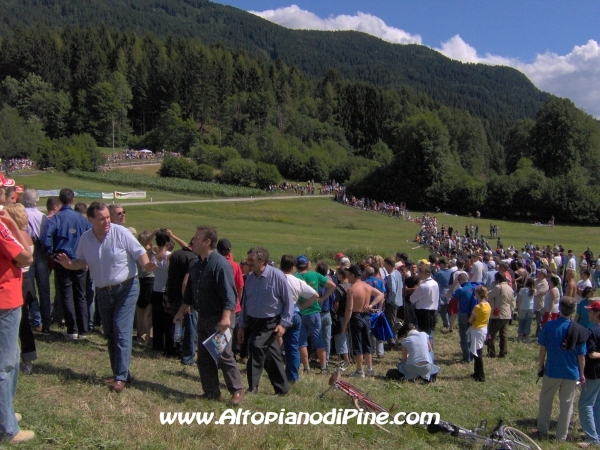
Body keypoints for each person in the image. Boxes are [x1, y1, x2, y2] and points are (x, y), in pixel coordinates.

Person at [55, 202, 156, 392]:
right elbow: (81, 262)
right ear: (91, 219)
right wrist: (70, 265)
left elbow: (139, 252)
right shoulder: (86, 239)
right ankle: (120, 372)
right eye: (102, 219)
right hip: (103, 291)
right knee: (110, 332)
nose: (106, 221)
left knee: (120, 327)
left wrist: (145, 265)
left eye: (108, 217)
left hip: (127, 288)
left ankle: (120, 377)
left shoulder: (121, 232)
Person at [173, 226, 244, 405]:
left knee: (223, 354)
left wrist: (226, 318)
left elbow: (229, 294)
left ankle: (237, 390)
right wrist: (181, 311)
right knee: (204, 356)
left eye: (197, 238)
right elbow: (189, 293)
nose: (193, 241)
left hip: (220, 318)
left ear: (207, 242)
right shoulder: (197, 265)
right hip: (203, 316)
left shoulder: (220, 264)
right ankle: (211, 392)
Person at [238, 247, 294, 395]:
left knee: (256, 347)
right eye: (248, 259)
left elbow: (289, 302)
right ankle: (282, 389)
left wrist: (283, 324)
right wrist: (242, 325)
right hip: (253, 321)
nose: (248, 262)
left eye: (251, 260)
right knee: (271, 355)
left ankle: (253, 387)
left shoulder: (277, 276)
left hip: (270, 322)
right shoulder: (249, 277)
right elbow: (245, 303)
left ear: (262, 261)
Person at [0, 206, 34, 443]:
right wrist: (12, 224)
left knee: (12, 357)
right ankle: (7, 427)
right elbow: (26, 256)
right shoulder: (1, 226)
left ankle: (6, 413)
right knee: (5, 364)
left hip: (8, 297)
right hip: (5, 298)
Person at [41, 188, 92, 340]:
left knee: (66, 294)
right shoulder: (81, 219)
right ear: (72, 200)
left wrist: (50, 252)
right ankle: (83, 330)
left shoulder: (57, 218)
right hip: (79, 259)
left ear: (60, 200)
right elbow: (91, 235)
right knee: (80, 294)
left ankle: (72, 329)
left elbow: (47, 236)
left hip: (62, 258)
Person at [536, 297, 587, 442]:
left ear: (560, 308)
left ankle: (542, 429)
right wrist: (581, 374)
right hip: (571, 372)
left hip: (552, 370)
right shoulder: (579, 330)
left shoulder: (550, 326)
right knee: (567, 404)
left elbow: (542, 349)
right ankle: (561, 436)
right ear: (573, 310)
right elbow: (581, 356)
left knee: (546, 399)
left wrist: (541, 365)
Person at [279, 254, 317, 383]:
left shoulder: (277, 278)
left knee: (275, 345)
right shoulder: (297, 280)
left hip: (281, 314)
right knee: (293, 347)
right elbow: (315, 295)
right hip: (295, 313)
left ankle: (276, 371)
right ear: (293, 267)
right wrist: (301, 306)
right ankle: (293, 376)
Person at [342, 265, 384, 378]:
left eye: (348, 275)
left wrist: (345, 323)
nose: (347, 277)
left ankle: (360, 370)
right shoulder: (367, 286)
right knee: (367, 342)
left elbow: (349, 308)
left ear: (352, 275)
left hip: (356, 316)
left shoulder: (351, 289)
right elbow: (381, 294)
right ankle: (369, 368)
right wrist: (371, 305)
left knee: (357, 343)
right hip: (365, 316)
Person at [22, 188, 50, 333]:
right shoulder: (42, 216)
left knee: (30, 287)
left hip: (29, 248)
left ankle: (36, 319)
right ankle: (46, 321)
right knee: (44, 288)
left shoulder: (22, 214)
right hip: (41, 249)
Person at [168, 233, 198, 365]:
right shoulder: (192, 259)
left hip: (172, 294)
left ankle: (174, 349)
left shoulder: (175, 254)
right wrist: (187, 301)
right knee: (190, 328)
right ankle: (187, 356)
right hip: (184, 297)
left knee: (176, 324)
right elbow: (186, 282)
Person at [579, 299, 600, 446]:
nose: (588, 312)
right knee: (597, 404)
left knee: (585, 404)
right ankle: (596, 432)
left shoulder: (592, 331)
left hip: (593, 372)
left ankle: (592, 438)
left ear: (597, 313)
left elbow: (591, 354)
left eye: (591, 310)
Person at [409, 264, 439, 339]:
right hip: (433, 310)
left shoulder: (424, 286)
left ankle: (427, 349)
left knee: (424, 334)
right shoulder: (435, 283)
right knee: (430, 332)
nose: (418, 273)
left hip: (423, 312)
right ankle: (430, 348)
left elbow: (412, 299)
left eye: (420, 272)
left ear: (427, 273)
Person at [486, 272, 512, 358]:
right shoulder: (509, 287)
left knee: (491, 334)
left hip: (498, 313)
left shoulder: (498, 287)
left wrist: (492, 286)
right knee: (503, 334)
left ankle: (491, 352)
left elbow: (488, 295)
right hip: (507, 313)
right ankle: (503, 352)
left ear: (497, 279)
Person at [468, 285, 490, 382]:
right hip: (484, 328)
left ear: (478, 294)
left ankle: (480, 375)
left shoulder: (478, 306)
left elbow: (470, 319)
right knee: (478, 351)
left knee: (477, 353)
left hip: (477, 329)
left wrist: (473, 321)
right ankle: (476, 373)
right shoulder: (488, 305)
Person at [454, 273, 477, 363]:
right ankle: (472, 356)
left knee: (464, 336)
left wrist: (453, 285)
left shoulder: (461, 290)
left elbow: (449, 295)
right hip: (472, 314)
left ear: (461, 280)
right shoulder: (474, 287)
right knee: (471, 336)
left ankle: (466, 357)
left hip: (463, 314)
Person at [516, 278, 536, 342]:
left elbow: (519, 300)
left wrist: (518, 308)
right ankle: (527, 337)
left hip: (523, 307)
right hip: (530, 308)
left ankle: (519, 336)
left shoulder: (522, 290)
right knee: (528, 323)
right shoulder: (534, 290)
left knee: (521, 322)